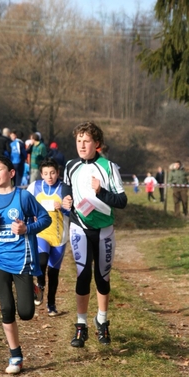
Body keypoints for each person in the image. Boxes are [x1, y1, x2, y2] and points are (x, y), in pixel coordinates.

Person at [0, 156, 51, 374]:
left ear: (11, 173)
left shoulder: (24, 197)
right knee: (6, 307)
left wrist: (27, 229)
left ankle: (34, 288)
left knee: (26, 312)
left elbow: (45, 219)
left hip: (22, 260)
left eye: (0, 169)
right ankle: (15, 356)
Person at [62, 121, 127, 348]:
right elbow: (66, 189)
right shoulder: (70, 165)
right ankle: (81, 326)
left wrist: (101, 191)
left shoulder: (108, 167)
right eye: (78, 141)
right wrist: (65, 201)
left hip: (104, 231)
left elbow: (122, 201)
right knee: (82, 276)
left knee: (102, 278)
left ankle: (102, 320)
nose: (81, 145)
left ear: (96, 143)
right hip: (79, 228)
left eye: (86, 141)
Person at [27, 158, 70, 316]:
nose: (49, 176)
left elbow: (71, 211)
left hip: (59, 236)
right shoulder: (35, 187)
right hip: (41, 233)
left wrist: (63, 209)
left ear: (58, 173)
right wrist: (32, 217)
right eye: (46, 173)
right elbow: (26, 206)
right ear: (41, 174)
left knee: (53, 274)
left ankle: (51, 305)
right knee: (42, 261)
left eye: (52, 173)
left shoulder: (64, 188)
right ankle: (40, 284)